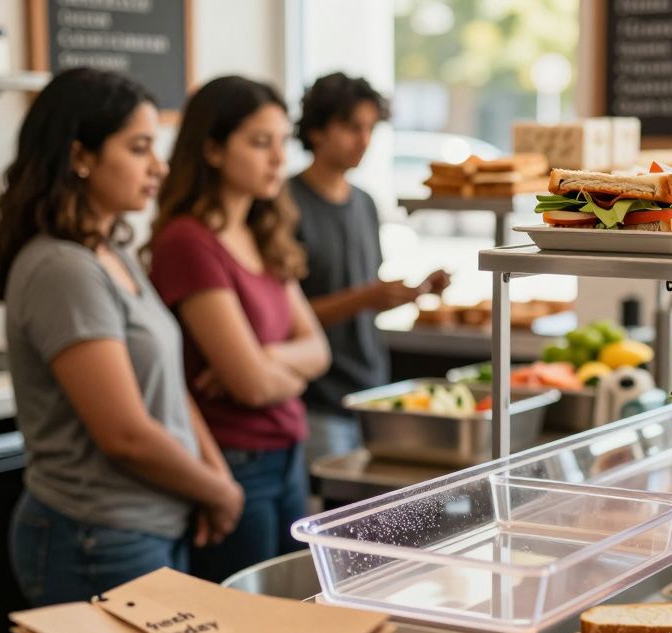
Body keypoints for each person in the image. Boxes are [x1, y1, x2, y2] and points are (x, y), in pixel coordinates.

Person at [0, 68, 242, 605]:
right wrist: (218, 489)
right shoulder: (64, 268)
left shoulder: (111, 252)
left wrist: (215, 480)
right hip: (96, 537)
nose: (159, 166)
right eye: (139, 148)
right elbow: (123, 432)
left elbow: (168, 388)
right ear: (81, 157)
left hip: (149, 524)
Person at [149, 76, 330, 584]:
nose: (278, 159)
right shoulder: (188, 242)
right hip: (234, 465)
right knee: (248, 631)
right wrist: (261, 368)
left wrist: (260, 358)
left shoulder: (261, 230)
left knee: (293, 616)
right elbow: (251, 385)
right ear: (211, 148)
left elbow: (319, 350)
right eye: (258, 142)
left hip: (287, 451)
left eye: (281, 143)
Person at [289, 72, 448, 464]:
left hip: (371, 389)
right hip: (317, 399)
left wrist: (416, 291)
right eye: (350, 127)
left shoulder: (364, 203)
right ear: (316, 130)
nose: (363, 140)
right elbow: (281, 320)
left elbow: (363, 294)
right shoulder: (285, 205)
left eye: (369, 128)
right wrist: (366, 296)